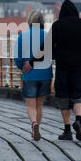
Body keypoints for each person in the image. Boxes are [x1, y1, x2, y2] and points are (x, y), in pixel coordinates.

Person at [50, 0, 81, 141]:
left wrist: (57, 56)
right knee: (80, 95)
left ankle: (67, 130)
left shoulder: (57, 26)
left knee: (63, 97)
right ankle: (79, 120)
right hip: (79, 66)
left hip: (63, 67)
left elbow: (49, 47)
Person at [14, 10, 53, 141]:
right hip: (45, 75)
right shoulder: (48, 36)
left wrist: (22, 67)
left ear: (29, 21)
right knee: (39, 105)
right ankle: (37, 127)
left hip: (29, 75)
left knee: (30, 105)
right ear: (42, 22)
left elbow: (18, 58)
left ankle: (33, 124)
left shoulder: (22, 36)